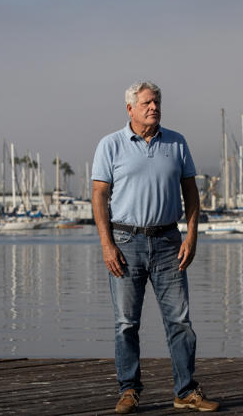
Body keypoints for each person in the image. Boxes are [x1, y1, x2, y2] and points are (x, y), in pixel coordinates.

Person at [92, 81, 219, 414]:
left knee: (180, 321)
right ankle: (129, 390)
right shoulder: (111, 145)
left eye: (157, 102)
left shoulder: (177, 143)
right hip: (125, 242)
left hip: (168, 242)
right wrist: (106, 244)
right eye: (147, 102)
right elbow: (99, 196)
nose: (154, 107)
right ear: (130, 108)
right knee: (126, 323)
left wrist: (192, 235)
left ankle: (185, 391)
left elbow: (191, 192)